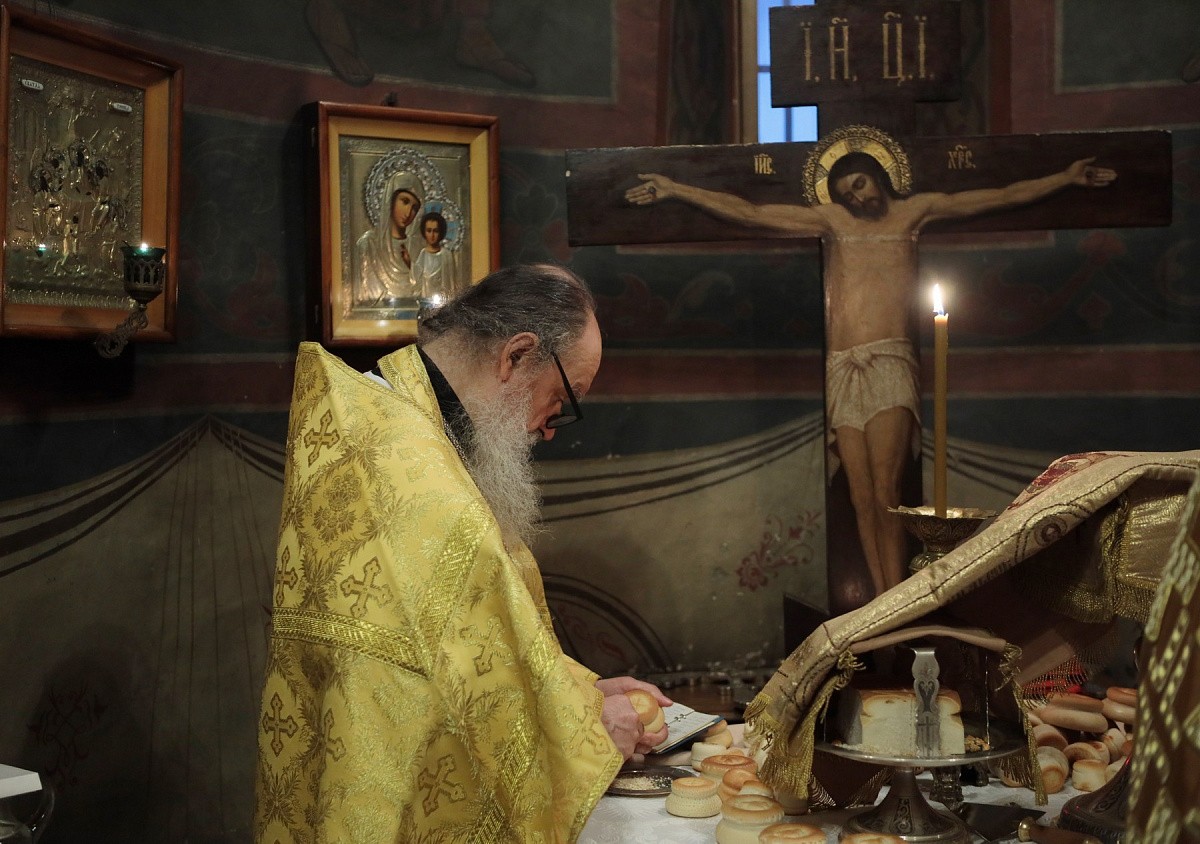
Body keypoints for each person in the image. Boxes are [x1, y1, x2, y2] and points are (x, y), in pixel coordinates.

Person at [255, 263, 671, 842]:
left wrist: (579, 692)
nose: (551, 429)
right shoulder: (412, 475)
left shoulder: (391, 422)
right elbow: (432, 689)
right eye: (561, 399)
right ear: (517, 356)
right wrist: (582, 724)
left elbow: (468, 652)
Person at [626, 150, 1116, 600]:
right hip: (843, 366)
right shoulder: (833, 220)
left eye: (860, 184)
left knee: (886, 491)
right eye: (847, 193)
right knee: (860, 496)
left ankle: (901, 598)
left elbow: (999, 196)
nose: (857, 198)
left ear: (880, 175)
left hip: (888, 360)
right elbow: (751, 212)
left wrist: (1065, 177)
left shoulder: (915, 211)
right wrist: (676, 188)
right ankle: (884, 601)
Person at [351, 170, 423, 306]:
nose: (409, 212)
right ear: (391, 200)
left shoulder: (418, 248)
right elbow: (361, 297)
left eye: (415, 207)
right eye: (405, 201)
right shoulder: (368, 244)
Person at [412, 210, 461, 298]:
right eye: (429, 231)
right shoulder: (423, 254)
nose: (432, 235)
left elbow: (451, 282)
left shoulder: (447, 255)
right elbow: (416, 278)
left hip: (443, 299)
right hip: (426, 297)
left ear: (441, 232)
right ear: (424, 232)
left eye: (435, 231)